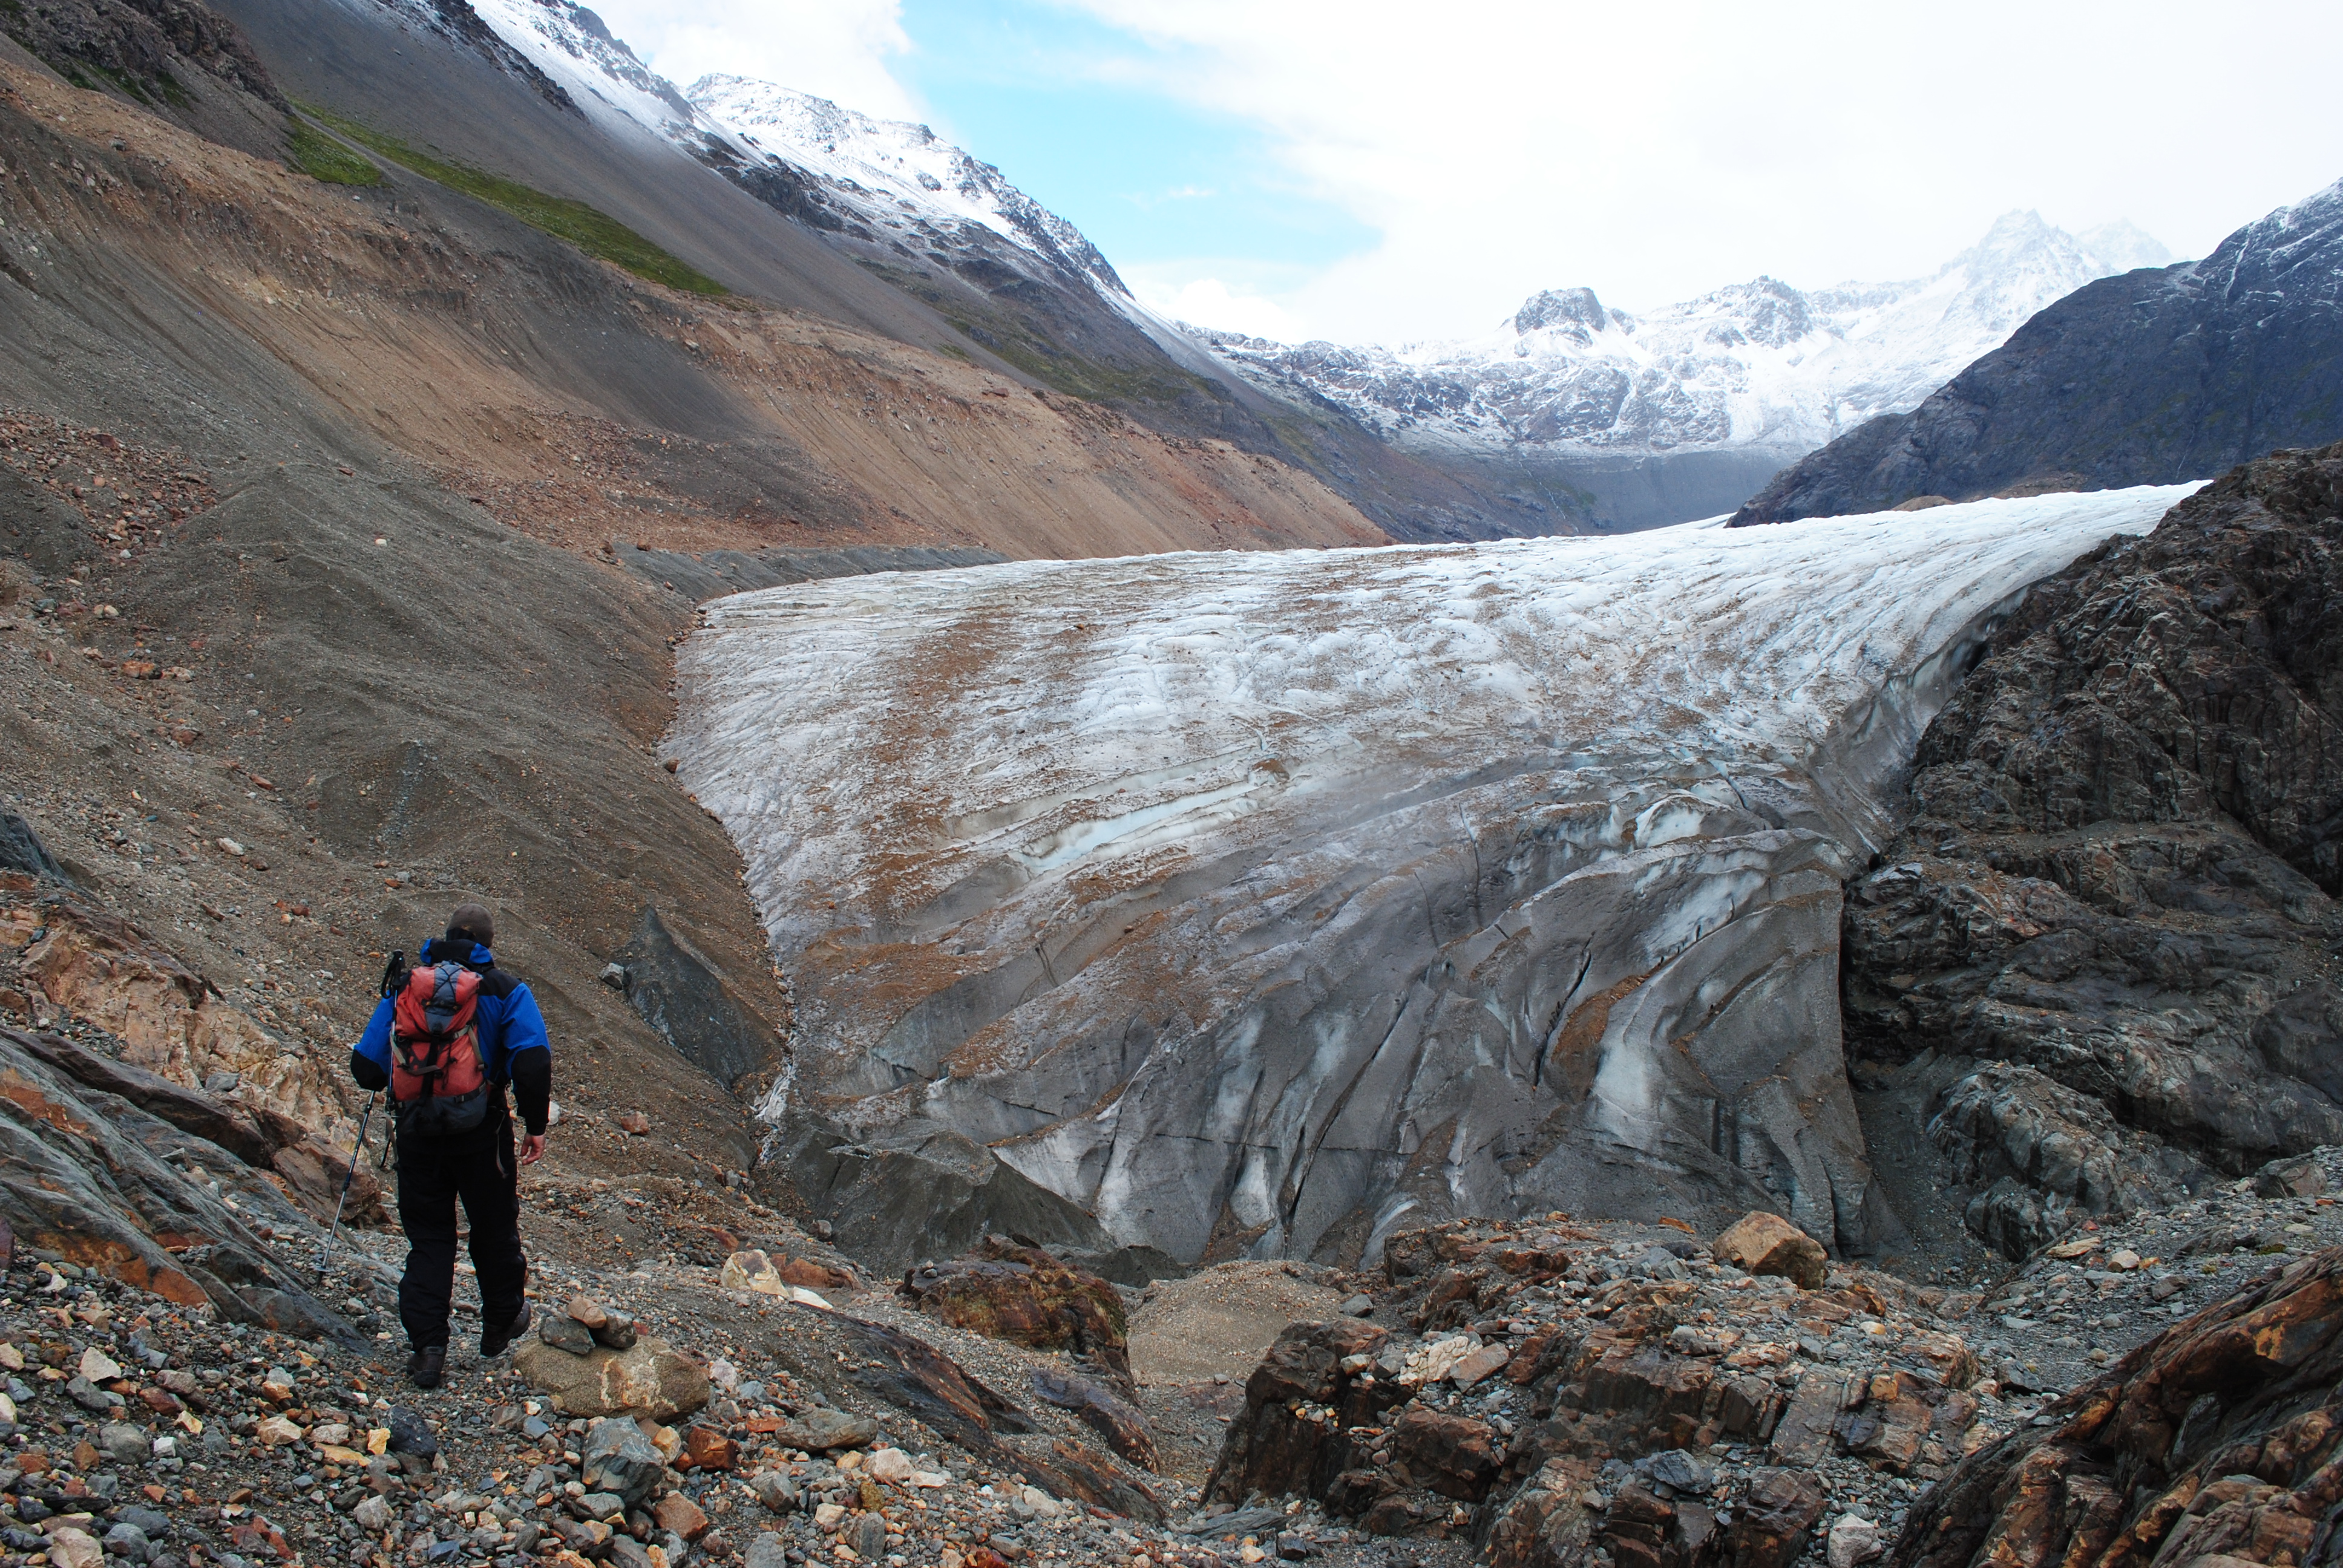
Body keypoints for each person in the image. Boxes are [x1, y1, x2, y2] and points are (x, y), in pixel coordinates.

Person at [352, 902, 551, 1388]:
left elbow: (368, 1069)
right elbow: (532, 1060)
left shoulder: (407, 986)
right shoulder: (503, 989)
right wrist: (535, 1124)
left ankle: (428, 1349)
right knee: (494, 1227)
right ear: (487, 944)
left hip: (418, 1132)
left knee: (430, 1239)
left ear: (442, 937)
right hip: (482, 1132)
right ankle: (500, 1323)